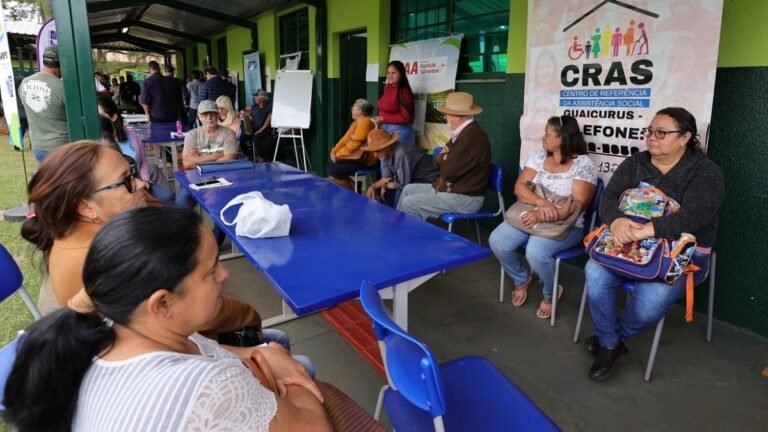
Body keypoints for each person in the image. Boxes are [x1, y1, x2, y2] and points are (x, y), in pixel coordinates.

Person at [5, 206, 384, 432]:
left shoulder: (106, 331)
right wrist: (294, 383)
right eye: (210, 271)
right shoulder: (210, 388)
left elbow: (206, 348)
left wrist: (267, 352)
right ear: (162, 303)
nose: (225, 275)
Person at [583, 107, 724, 380]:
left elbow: (695, 216)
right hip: (627, 247)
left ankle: (609, 339)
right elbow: (609, 198)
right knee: (593, 271)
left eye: (661, 133)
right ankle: (611, 345)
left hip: (681, 256)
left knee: (652, 300)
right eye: (649, 131)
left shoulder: (706, 171)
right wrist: (616, 222)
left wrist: (646, 230)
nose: (652, 138)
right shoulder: (637, 161)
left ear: (685, 138)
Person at [488, 115, 597, 319]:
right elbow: (519, 187)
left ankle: (550, 293)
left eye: (548, 134)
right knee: (497, 241)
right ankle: (522, 279)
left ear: (563, 138)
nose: (543, 138)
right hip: (530, 213)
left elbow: (577, 206)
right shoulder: (539, 156)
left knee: (536, 254)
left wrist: (543, 214)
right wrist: (541, 204)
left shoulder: (583, 164)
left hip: (565, 225)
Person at [397, 91, 490, 220]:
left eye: (447, 113)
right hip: (450, 189)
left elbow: (448, 171)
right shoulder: (463, 132)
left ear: (458, 116)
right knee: (408, 189)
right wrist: (444, 159)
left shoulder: (472, 136)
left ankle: (413, 239)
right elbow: (439, 160)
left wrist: (444, 160)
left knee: (410, 203)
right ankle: (400, 232)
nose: (444, 116)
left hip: (467, 198)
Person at [97, 98, 174, 204]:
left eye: (100, 115)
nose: (97, 120)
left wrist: (145, 180)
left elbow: (143, 161)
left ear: (114, 117)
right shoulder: (99, 143)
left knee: (168, 197)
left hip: (139, 181)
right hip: (121, 193)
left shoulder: (131, 135)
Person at [362, 129, 438, 207]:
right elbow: (387, 177)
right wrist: (372, 187)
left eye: (377, 151)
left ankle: (397, 214)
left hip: (428, 180)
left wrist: (386, 185)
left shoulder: (401, 154)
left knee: (396, 199)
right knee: (387, 196)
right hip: (410, 179)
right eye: (373, 151)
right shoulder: (384, 153)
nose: (375, 155)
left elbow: (403, 185)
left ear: (387, 145)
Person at [18, 45, 67, 162]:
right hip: (61, 146)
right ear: (61, 64)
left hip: (38, 147)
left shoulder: (24, 83)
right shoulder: (62, 88)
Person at [326, 98, 377, 190]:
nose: (352, 110)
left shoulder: (365, 122)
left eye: (353, 108)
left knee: (333, 170)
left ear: (360, 111)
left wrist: (338, 155)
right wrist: (333, 151)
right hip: (355, 157)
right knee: (331, 166)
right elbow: (344, 140)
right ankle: (355, 186)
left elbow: (355, 143)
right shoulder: (356, 123)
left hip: (364, 160)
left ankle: (353, 190)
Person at [181, 99, 239, 170]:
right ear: (198, 116)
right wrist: (217, 156)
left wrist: (197, 159)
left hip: (224, 174)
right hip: (198, 177)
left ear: (218, 115)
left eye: (212, 113)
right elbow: (187, 164)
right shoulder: (191, 135)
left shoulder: (228, 133)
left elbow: (230, 159)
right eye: (204, 114)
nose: (209, 117)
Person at [373, 60, 414, 146]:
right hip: (384, 129)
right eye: (388, 73)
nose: (390, 76)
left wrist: (383, 119)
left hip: (399, 131)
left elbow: (406, 118)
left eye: (393, 73)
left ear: (401, 74)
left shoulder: (404, 91)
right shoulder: (388, 87)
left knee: (398, 159)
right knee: (384, 158)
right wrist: (380, 119)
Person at [241, 89, 275, 161]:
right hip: (253, 129)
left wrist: (260, 130)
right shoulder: (254, 107)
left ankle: (259, 157)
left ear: (262, 98)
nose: (255, 98)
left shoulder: (269, 106)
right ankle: (249, 155)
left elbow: (268, 121)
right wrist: (245, 117)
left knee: (256, 139)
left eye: (257, 96)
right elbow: (250, 116)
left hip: (265, 130)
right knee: (242, 138)